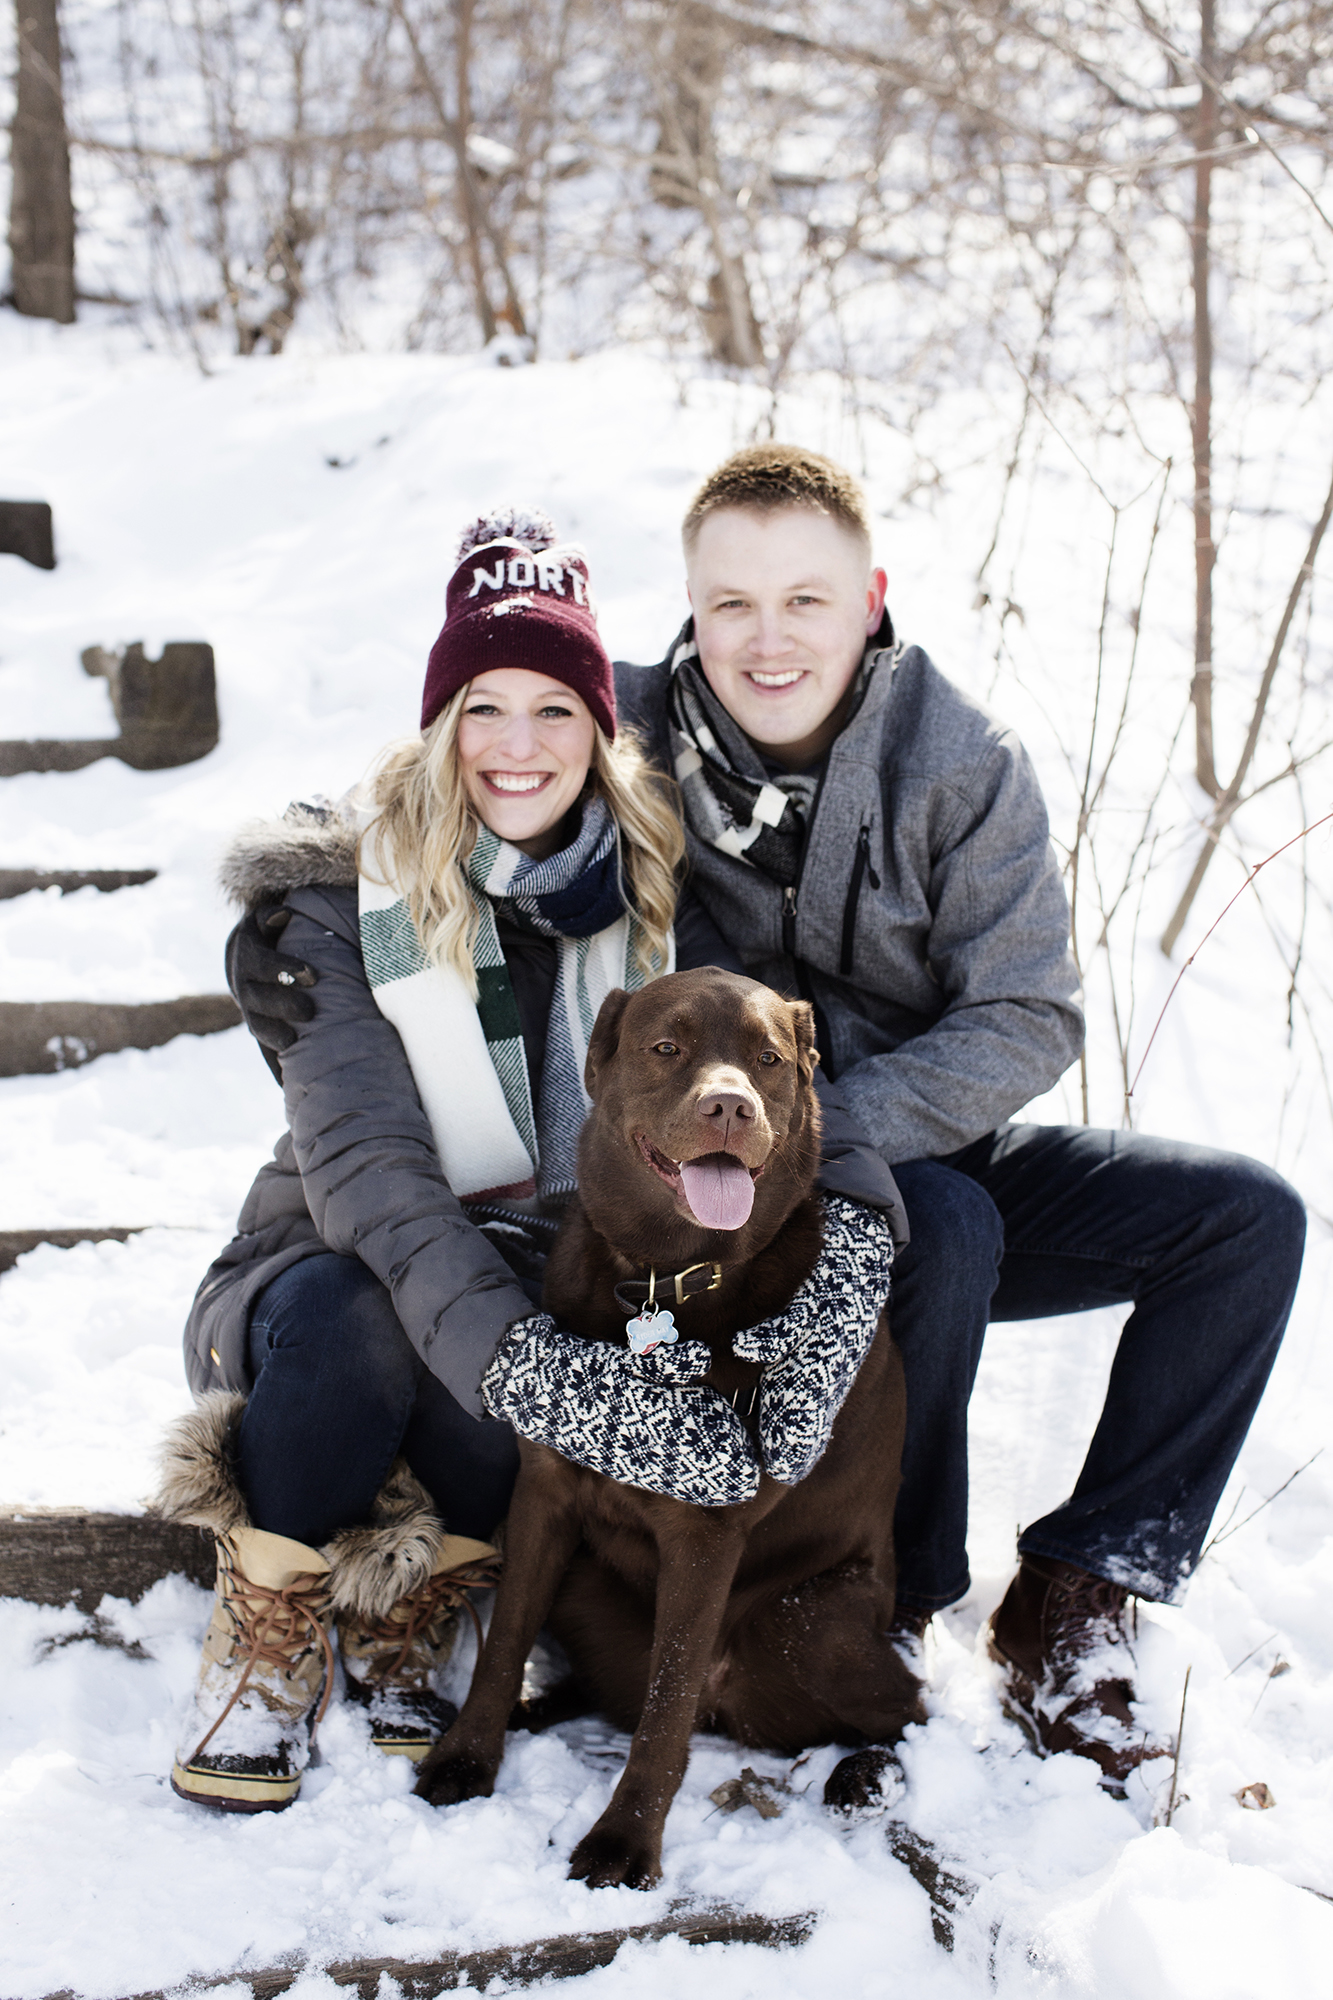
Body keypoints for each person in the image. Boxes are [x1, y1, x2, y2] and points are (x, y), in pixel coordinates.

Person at [235, 450, 1307, 1798]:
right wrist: (280, 902)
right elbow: (464, 744)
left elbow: (1030, 1014)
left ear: (870, 598)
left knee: (1231, 1221)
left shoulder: (956, 768)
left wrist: (802, 1135)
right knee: (943, 1233)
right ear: (684, 608)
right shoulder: (633, 733)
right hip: (699, 1174)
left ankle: (1075, 1593)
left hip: (856, 1137)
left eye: (805, 600)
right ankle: (890, 1598)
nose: (766, 637)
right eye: (729, 603)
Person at [162, 505, 903, 1815]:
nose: (518, 746)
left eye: (554, 709)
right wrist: (539, 1378)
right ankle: (266, 1632)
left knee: (573, 1318)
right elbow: (377, 1189)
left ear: (598, 728)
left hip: (536, 1294)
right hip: (323, 1288)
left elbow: (795, 1102)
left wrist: (835, 1307)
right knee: (362, 1315)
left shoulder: (668, 894)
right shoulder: (340, 909)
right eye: (483, 707)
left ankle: (421, 1598)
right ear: (440, 723)